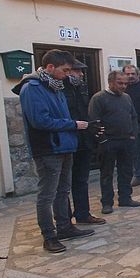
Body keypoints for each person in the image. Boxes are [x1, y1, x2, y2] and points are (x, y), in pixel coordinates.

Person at [13, 49, 94, 253]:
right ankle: (49, 236)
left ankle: (65, 227)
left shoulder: (55, 86)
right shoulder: (32, 88)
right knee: (47, 194)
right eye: (65, 70)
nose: (67, 74)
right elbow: (40, 121)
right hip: (48, 148)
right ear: (50, 67)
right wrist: (73, 125)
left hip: (65, 146)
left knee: (63, 190)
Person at [89, 70, 140, 214]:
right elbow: (94, 121)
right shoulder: (99, 98)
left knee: (126, 171)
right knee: (107, 173)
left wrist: (133, 134)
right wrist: (103, 139)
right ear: (111, 82)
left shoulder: (126, 98)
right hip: (109, 141)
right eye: (120, 83)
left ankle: (125, 198)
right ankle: (107, 202)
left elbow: (133, 116)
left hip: (126, 140)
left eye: (125, 84)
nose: (123, 86)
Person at [62, 59, 105, 225]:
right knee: (64, 183)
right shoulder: (59, 89)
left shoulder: (80, 88)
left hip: (83, 140)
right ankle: (64, 219)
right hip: (67, 139)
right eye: (77, 71)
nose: (81, 74)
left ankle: (82, 213)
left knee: (81, 179)